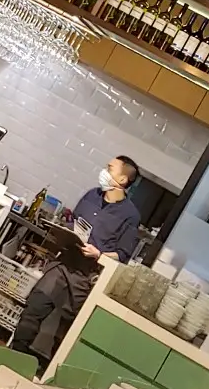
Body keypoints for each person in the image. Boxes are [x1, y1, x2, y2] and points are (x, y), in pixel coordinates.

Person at [10, 232, 95, 367]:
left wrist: (99, 254)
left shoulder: (128, 220)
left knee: (70, 329)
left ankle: (52, 370)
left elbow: (120, 256)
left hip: (87, 277)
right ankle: (15, 356)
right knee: (33, 309)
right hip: (63, 264)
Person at [72, 155, 141, 265]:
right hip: (65, 258)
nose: (104, 172)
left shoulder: (131, 215)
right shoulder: (92, 194)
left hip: (88, 271)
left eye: (109, 169)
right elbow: (72, 220)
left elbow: (122, 255)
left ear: (122, 179)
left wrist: (98, 255)